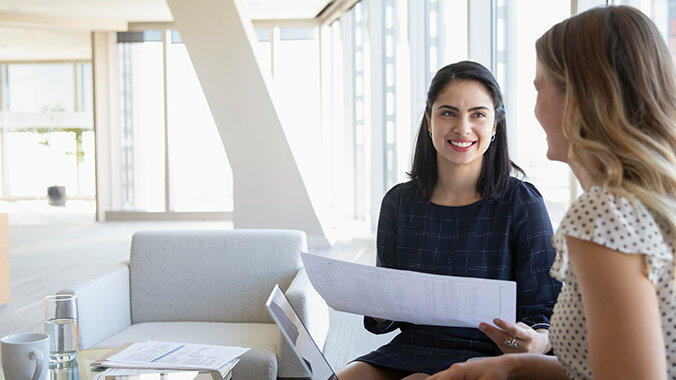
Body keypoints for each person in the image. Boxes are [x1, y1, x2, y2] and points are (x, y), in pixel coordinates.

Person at [429, 5, 676, 380]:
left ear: (579, 97)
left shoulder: (604, 214)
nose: (535, 106)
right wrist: (512, 364)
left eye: (539, 87)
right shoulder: (646, 201)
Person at [337, 61, 561, 380]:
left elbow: (544, 314)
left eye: (477, 114)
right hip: (414, 347)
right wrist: (373, 302)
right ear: (429, 120)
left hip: (491, 355)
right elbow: (388, 313)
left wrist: (532, 342)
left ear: (495, 126)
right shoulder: (399, 202)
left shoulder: (521, 203)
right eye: (448, 113)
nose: (463, 128)